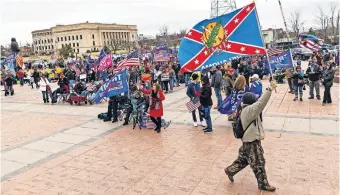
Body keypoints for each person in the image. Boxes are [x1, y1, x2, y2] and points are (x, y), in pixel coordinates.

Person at [224, 82, 277, 192]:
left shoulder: (245, 108)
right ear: (251, 101)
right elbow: (262, 103)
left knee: (243, 160)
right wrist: (269, 89)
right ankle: (263, 184)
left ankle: (230, 170)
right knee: (259, 163)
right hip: (251, 141)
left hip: (248, 140)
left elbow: (259, 103)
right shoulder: (250, 110)